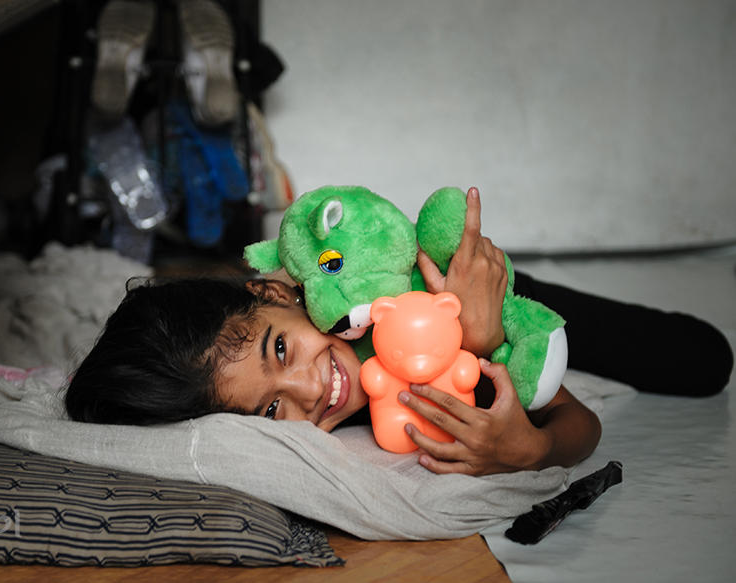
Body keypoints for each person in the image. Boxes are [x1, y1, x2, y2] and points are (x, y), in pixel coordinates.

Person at [65, 188, 734, 477]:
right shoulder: (293, 419)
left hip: (475, 293)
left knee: (703, 362)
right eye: (271, 410)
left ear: (274, 293)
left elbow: (577, 421)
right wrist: (520, 446)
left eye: (281, 348)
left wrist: (485, 345)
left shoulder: (366, 291)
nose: (311, 389)